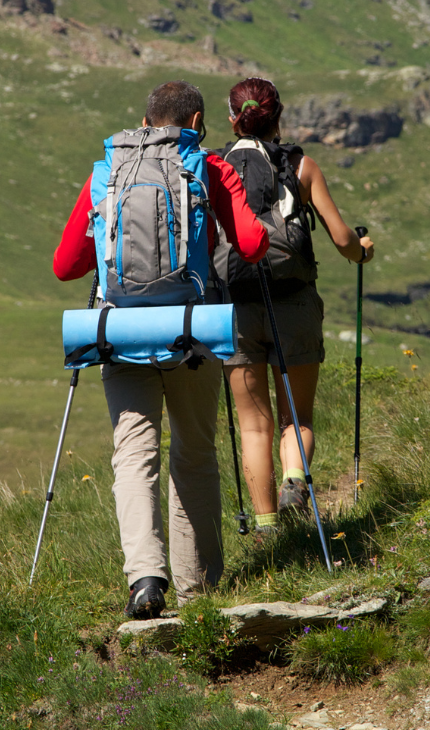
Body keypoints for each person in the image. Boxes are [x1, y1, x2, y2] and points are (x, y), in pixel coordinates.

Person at [52, 80, 268, 619]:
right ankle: (199, 590)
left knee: (133, 453)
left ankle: (145, 578)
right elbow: (253, 244)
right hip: (191, 329)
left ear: (144, 124)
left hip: (119, 332)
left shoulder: (107, 172)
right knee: (193, 452)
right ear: (196, 119)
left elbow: (64, 266)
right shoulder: (210, 168)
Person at [215, 76, 374, 533]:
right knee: (296, 417)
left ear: (232, 119)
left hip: (235, 308)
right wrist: (363, 250)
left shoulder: (214, 168)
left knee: (253, 426)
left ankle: (266, 529)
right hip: (295, 305)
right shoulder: (301, 167)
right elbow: (342, 239)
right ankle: (295, 479)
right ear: (278, 117)